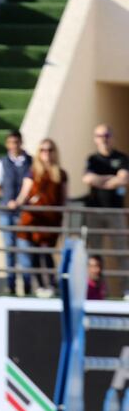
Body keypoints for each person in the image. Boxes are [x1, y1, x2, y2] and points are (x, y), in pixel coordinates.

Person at [9, 139, 66, 298]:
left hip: (51, 219)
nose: (46, 153)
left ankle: (52, 284)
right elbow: (24, 193)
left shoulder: (60, 174)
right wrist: (16, 202)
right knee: (34, 252)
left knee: (47, 251)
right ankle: (40, 285)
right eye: (42, 150)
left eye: (49, 150)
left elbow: (63, 198)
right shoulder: (32, 171)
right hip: (34, 218)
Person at [83, 123, 129, 296]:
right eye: (100, 136)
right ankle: (95, 290)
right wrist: (111, 178)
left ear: (112, 137)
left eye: (107, 135)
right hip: (94, 211)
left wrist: (100, 180)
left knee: (121, 252)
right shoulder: (92, 159)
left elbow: (123, 179)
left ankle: (126, 289)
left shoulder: (122, 158)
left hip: (116, 211)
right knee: (94, 255)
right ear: (95, 139)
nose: (104, 139)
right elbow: (87, 179)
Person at [0, 130, 32, 296]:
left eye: (17, 142)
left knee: (24, 249)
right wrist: (6, 199)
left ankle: (27, 286)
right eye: (11, 142)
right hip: (6, 212)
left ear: (21, 143)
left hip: (24, 212)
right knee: (9, 250)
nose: (14, 146)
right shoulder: (1, 162)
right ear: (7, 144)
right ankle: (11, 285)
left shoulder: (30, 161)